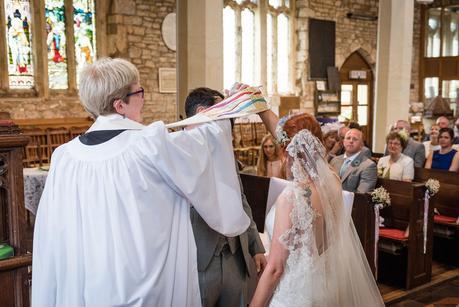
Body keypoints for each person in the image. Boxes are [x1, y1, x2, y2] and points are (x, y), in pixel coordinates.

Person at [32, 58, 252, 306]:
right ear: (119, 105)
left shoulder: (64, 157)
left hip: (86, 282)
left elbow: (52, 236)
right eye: (139, 92)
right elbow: (205, 142)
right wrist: (230, 105)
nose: (144, 98)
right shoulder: (147, 145)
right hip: (139, 286)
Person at [250, 113, 384, 307]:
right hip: (321, 287)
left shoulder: (291, 197)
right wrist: (262, 109)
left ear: (287, 149)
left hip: (292, 292)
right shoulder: (332, 181)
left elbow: (275, 269)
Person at [185, 87, 267, 307]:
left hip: (235, 257)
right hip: (199, 260)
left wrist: (255, 247)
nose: (229, 122)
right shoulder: (177, 150)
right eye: (225, 113)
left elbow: (240, 200)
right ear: (203, 112)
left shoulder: (224, 150)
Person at [330, 128, 377, 193]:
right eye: (348, 138)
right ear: (343, 142)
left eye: (355, 139)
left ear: (361, 145)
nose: (351, 141)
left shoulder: (368, 166)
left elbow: (362, 194)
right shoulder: (335, 160)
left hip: (351, 202)